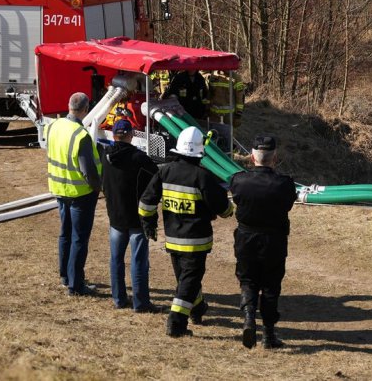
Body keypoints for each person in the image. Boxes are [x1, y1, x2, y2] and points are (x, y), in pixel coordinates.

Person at [139, 127, 233, 338]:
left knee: (186, 279)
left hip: (173, 239)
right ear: (199, 153)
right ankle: (176, 322)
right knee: (189, 280)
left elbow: (146, 202)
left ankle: (198, 308)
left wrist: (149, 222)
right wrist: (229, 211)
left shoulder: (164, 171)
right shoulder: (202, 176)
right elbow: (222, 207)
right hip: (196, 241)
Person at [229, 135, 298, 349]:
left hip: (246, 238)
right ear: (274, 158)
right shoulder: (284, 184)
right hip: (274, 241)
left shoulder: (238, 180)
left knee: (248, 280)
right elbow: (288, 205)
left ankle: (249, 318)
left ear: (251, 157)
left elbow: (237, 199)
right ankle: (268, 335)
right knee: (270, 286)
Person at [45, 92, 101, 296]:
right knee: (79, 238)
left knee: (65, 233)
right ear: (85, 109)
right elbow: (88, 171)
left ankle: (65, 275)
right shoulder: (81, 135)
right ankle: (76, 284)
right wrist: (98, 187)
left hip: (59, 189)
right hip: (80, 194)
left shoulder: (54, 126)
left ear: (69, 106)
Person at [102, 119, 159, 312]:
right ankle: (140, 303)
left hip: (115, 217)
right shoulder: (138, 157)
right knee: (139, 261)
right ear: (131, 134)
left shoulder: (106, 155)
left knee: (116, 259)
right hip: (136, 218)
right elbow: (156, 175)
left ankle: (118, 298)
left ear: (114, 134)